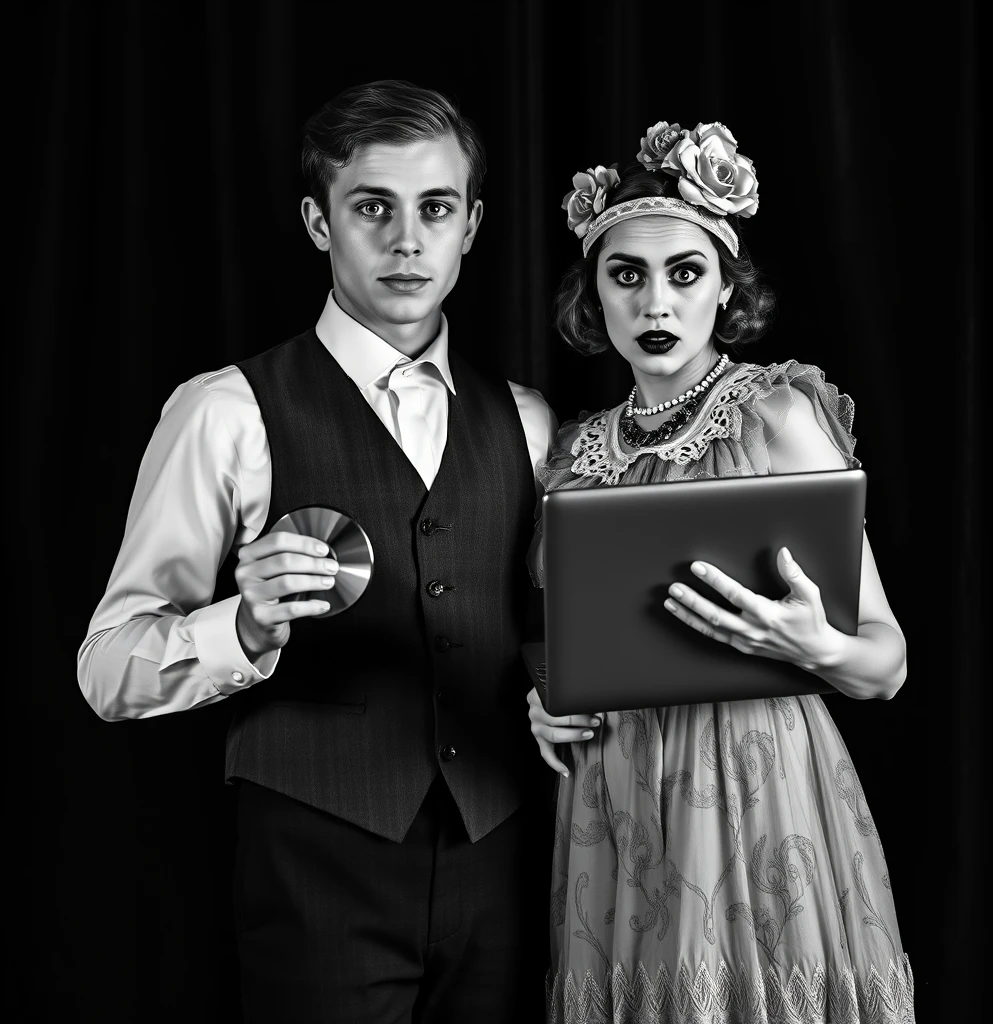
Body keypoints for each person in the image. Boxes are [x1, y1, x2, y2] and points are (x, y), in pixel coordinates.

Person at [78, 80, 559, 1023]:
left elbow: (547, 628)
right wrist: (243, 624)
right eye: (372, 207)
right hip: (317, 872)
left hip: (506, 860)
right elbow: (106, 668)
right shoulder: (225, 411)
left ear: (471, 225)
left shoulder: (531, 421)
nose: (407, 240)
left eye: (436, 208)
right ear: (317, 221)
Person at [527, 122, 915, 1023]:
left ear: (723, 291)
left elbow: (886, 664)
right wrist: (545, 692)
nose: (655, 301)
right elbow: (566, 634)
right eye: (627, 274)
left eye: (684, 273)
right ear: (595, 293)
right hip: (614, 798)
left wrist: (816, 642)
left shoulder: (776, 413)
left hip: (758, 785)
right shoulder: (574, 450)